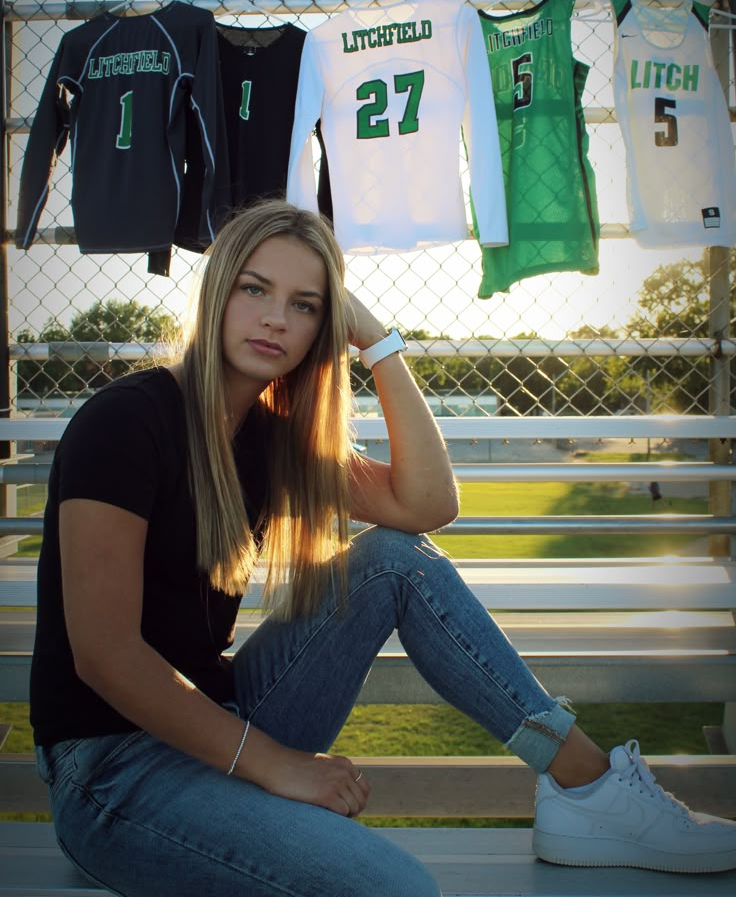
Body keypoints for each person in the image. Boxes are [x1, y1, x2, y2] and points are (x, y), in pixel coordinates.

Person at [30, 199, 736, 897]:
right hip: (114, 770)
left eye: (306, 305)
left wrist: (381, 343)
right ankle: (588, 793)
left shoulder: (270, 440)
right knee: (394, 888)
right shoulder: (124, 422)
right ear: (217, 292)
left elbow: (427, 506)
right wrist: (276, 764)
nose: (277, 317)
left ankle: (586, 787)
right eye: (254, 289)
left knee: (395, 559)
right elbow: (105, 655)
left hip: (224, 722)